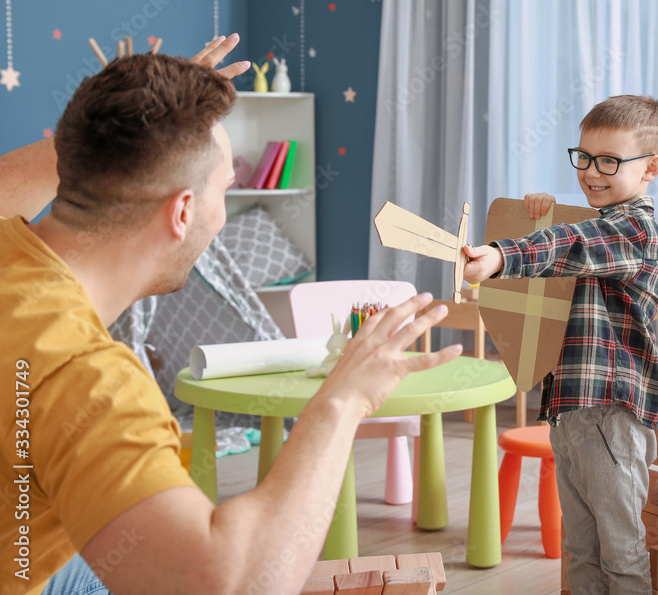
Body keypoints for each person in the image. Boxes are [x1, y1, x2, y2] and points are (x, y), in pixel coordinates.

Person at [1, 45, 461, 595]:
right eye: (224, 188)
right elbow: (229, 585)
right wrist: (344, 400)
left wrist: (142, 115)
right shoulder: (85, 378)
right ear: (184, 212)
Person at [464, 95, 658, 594]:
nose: (592, 172)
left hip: (610, 413)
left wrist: (500, 253)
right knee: (581, 548)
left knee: (620, 551)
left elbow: (572, 246)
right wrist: (535, 216)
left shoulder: (634, 230)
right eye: (584, 157)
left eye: (610, 161)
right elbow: (562, 248)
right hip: (570, 407)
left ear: (650, 168)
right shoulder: (592, 222)